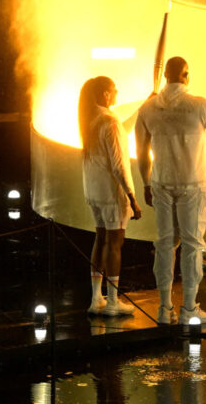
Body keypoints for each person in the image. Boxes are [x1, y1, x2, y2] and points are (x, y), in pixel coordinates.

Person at [136, 56, 206, 325]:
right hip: (194, 185)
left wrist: (146, 183)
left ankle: (164, 308)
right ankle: (189, 308)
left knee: (165, 244)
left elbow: (141, 152)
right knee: (192, 245)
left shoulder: (148, 108)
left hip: (161, 184)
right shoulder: (199, 105)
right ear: (186, 75)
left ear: (165, 75)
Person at [78, 76, 142, 316]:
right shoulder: (109, 122)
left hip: (93, 191)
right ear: (105, 94)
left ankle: (97, 298)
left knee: (100, 239)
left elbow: (122, 129)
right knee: (115, 244)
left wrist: (142, 108)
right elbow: (118, 165)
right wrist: (132, 197)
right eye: (114, 89)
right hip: (111, 192)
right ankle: (113, 302)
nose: (117, 92)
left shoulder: (90, 119)